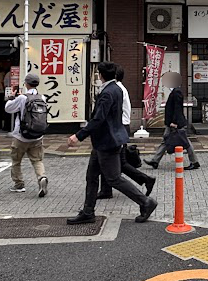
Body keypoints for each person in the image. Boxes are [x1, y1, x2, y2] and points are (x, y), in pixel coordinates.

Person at [67, 62, 156, 226]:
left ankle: (145, 202)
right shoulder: (116, 89)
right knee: (92, 176)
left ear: (100, 74)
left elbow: (99, 118)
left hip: (107, 141)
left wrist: (78, 136)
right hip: (106, 140)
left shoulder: (108, 92)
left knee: (114, 178)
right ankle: (88, 211)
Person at [113, 67, 156, 197]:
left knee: (119, 162)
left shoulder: (116, 90)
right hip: (119, 127)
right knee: (105, 161)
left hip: (118, 127)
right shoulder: (119, 88)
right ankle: (105, 188)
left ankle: (144, 186)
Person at [4, 72, 49, 196]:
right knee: (37, 160)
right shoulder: (43, 98)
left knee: (16, 160)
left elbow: (8, 108)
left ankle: (19, 184)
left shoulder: (22, 98)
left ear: (26, 84)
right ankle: (42, 177)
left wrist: (11, 98)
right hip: (37, 136)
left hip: (21, 136)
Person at [145, 71, 200, 170]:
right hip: (172, 122)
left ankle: (194, 161)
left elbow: (177, 108)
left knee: (185, 142)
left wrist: (174, 122)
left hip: (175, 123)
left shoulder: (177, 92)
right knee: (166, 141)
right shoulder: (175, 91)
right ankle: (155, 161)